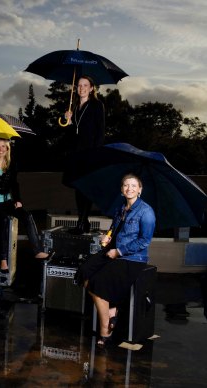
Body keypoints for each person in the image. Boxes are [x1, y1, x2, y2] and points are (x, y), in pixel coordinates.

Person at [75, 174, 155, 347]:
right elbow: (114, 229)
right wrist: (108, 237)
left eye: (134, 186)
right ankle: (112, 310)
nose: (129, 189)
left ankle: (105, 329)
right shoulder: (121, 209)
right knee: (84, 272)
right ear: (121, 189)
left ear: (140, 190)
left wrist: (119, 251)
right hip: (112, 250)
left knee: (96, 284)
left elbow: (144, 241)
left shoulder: (146, 212)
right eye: (126, 185)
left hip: (132, 257)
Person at [0, 138, 49, 275]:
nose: (1, 149)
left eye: (4, 146)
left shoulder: (11, 163)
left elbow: (14, 184)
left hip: (6, 201)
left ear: (8, 149)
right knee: (2, 220)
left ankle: (37, 251)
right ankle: (2, 259)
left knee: (26, 216)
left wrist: (18, 200)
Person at [64, 75, 106, 234]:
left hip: (90, 153)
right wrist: (68, 121)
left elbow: (100, 132)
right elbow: (72, 133)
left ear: (91, 88)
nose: (81, 88)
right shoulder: (74, 107)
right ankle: (83, 221)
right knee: (78, 188)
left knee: (86, 188)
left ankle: (82, 222)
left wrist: (95, 154)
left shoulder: (97, 105)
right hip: (76, 153)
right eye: (79, 85)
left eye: (85, 85)